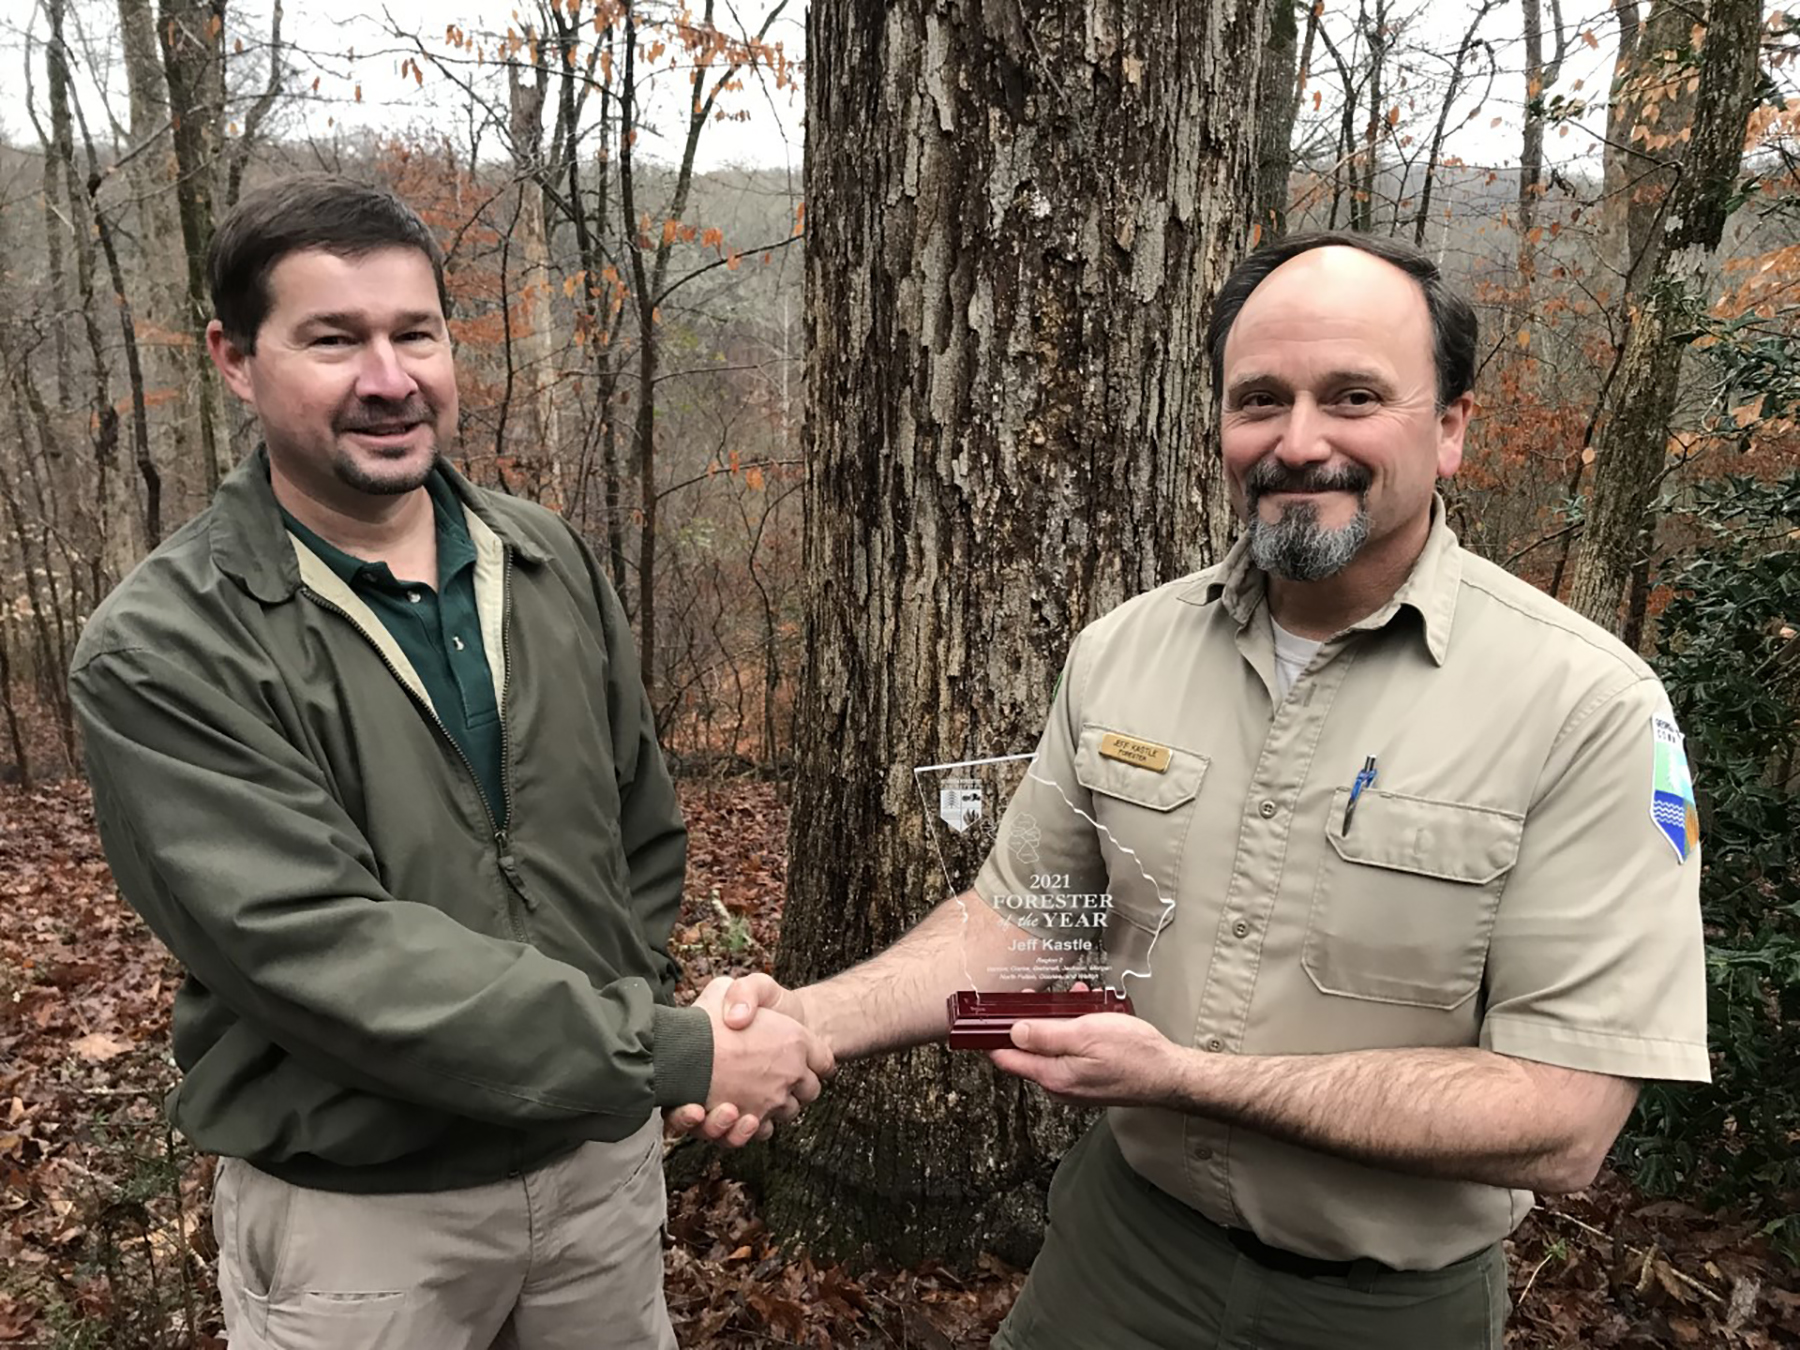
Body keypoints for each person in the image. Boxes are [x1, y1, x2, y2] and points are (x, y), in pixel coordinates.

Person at [708, 231, 1710, 1349]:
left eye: (1354, 396)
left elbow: (1561, 1118)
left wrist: (1185, 1078)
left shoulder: (1586, 706)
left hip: (1386, 1311)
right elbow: (1021, 925)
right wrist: (803, 1021)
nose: (1299, 441)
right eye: (1259, 400)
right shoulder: (1124, 653)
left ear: (1453, 427)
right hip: (1118, 1257)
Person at [68, 174, 827, 1350]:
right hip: (364, 1223)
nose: (389, 378)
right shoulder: (167, 645)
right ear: (233, 357)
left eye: (414, 333)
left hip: (598, 1182)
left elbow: (639, 831)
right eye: (333, 339)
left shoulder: (542, 558)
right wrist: (670, 1046)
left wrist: (635, 1041)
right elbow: (322, 952)